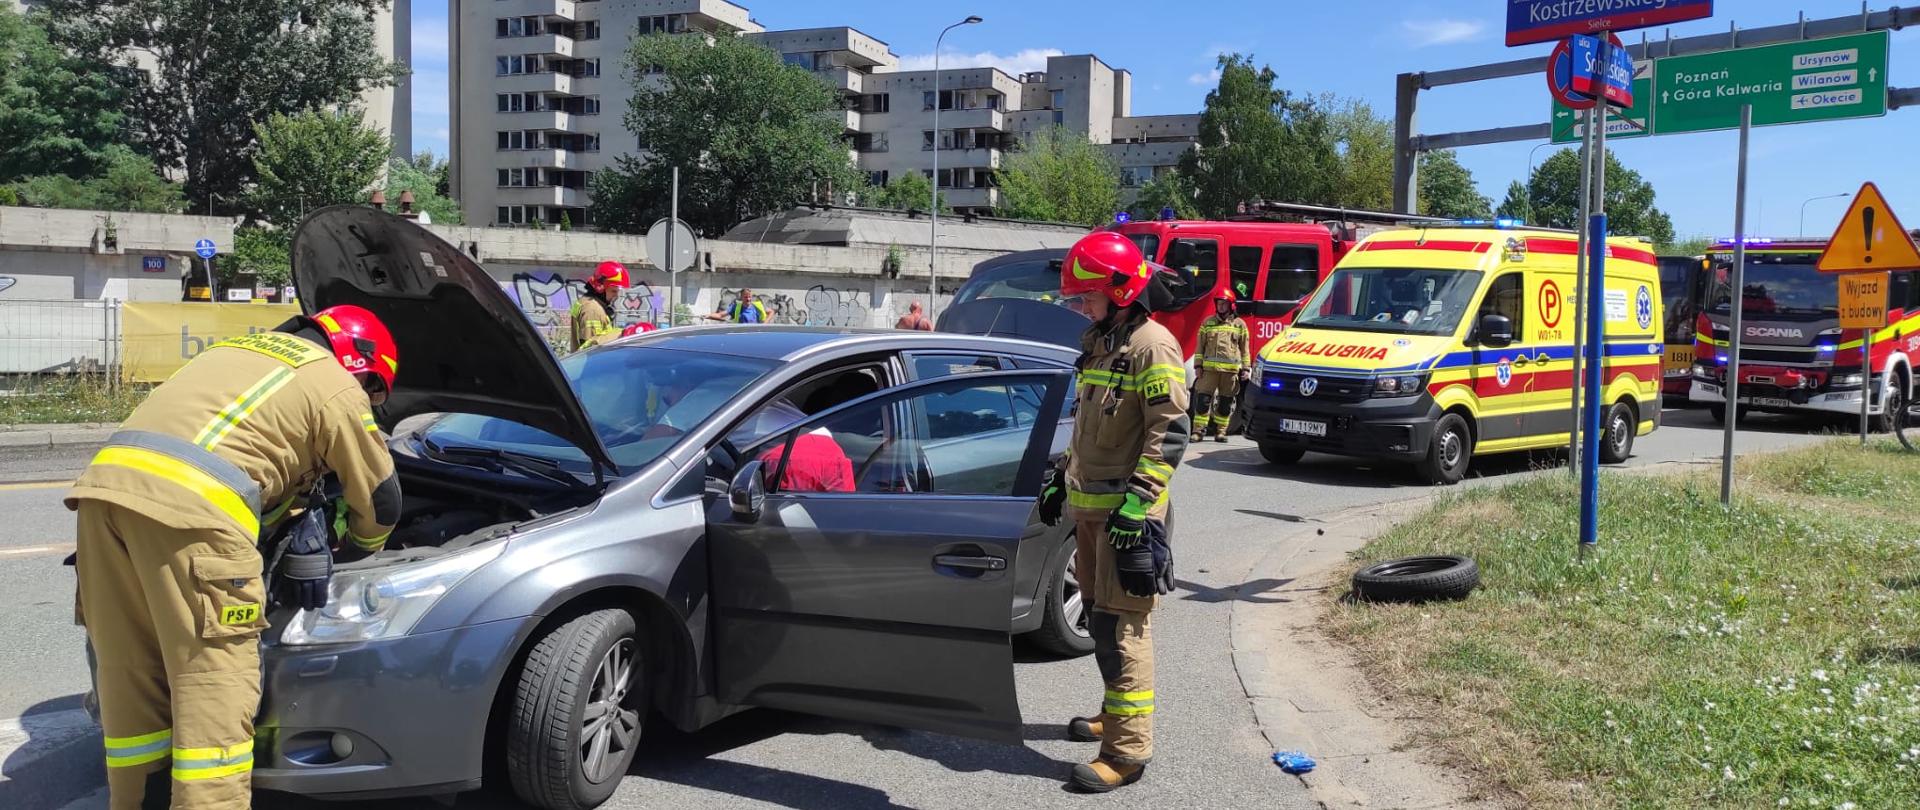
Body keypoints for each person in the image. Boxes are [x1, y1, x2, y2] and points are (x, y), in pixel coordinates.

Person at [66, 305, 402, 810]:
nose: (373, 402)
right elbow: (380, 500)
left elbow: (241, 449)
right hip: (192, 513)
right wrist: (357, 548)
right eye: (376, 390)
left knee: (132, 682)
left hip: (103, 502)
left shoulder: (237, 352)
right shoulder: (333, 382)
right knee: (213, 695)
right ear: (362, 361)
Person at [1035, 231, 1188, 793]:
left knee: (1125, 630)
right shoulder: (1101, 343)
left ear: (1123, 291)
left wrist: (1137, 503)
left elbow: (1169, 433)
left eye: (1087, 295)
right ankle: (1113, 715)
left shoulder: (1153, 346)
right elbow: (1089, 426)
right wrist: (1060, 478)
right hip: (1092, 509)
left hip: (1128, 517)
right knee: (1101, 622)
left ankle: (1126, 753)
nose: (1079, 305)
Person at [1192, 287, 1251, 442]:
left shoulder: (1240, 325)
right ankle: (1198, 432)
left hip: (1230, 373)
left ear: (1231, 305)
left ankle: (1221, 433)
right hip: (1209, 371)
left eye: (1224, 304)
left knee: (1225, 404)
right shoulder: (1207, 323)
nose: (1221, 306)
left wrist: (1246, 368)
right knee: (1203, 402)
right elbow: (1199, 347)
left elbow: (1245, 349)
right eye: (1219, 303)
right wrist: (1198, 366)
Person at [571, 261, 630, 351]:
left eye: (618, 291)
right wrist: (622, 334)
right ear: (600, 288)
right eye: (613, 291)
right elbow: (591, 348)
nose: (616, 296)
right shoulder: (592, 310)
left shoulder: (586, 301)